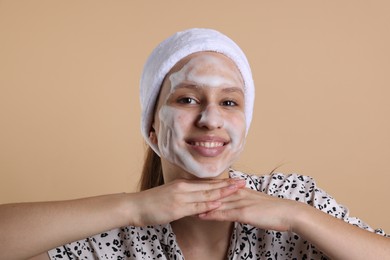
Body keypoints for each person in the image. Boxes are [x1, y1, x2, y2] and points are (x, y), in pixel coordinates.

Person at [0, 28, 389, 260]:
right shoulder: (113, 236)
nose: (211, 118)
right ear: (151, 128)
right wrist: (133, 208)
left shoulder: (293, 198)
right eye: (187, 98)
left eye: (229, 102)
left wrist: (298, 218)